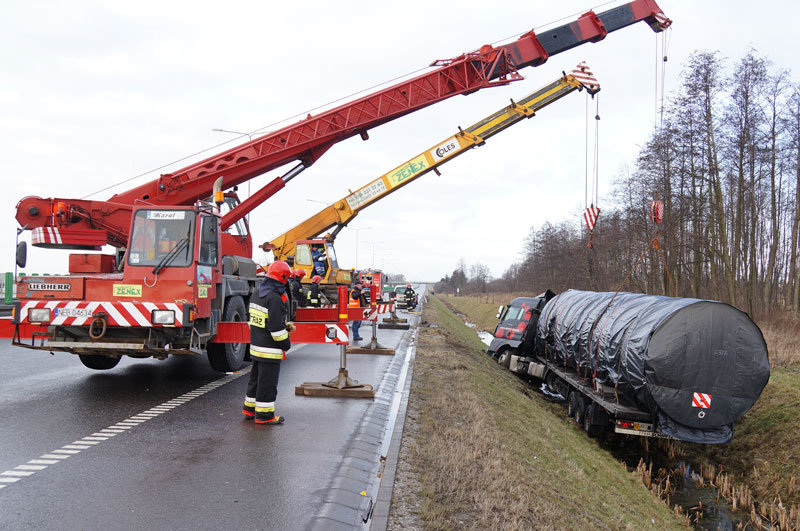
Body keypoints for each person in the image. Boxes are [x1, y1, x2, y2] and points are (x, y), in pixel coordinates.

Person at [242, 260, 293, 425]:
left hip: (256, 347)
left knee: (255, 380)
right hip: (269, 350)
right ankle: (264, 416)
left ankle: (249, 410)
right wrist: (286, 343)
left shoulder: (257, 294)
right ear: (283, 279)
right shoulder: (275, 298)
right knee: (267, 384)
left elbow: (255, 321)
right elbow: (276, 330)